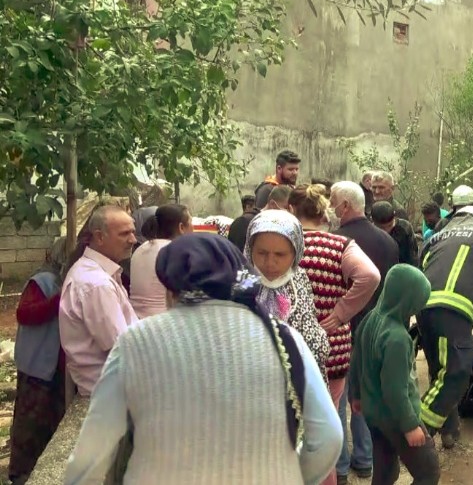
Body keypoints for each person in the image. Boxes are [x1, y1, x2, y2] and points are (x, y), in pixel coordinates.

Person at [64, 234, 341, 484]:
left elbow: (92, 454)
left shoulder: (138, 340)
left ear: (171, 289)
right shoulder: (284, 337)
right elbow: (328, 437)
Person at [290, 185, 381, 485]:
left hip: (289, 347)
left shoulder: (284, 245)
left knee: (291, 427)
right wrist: (341, 312)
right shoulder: (340, 245)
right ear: (323, 213)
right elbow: (370, 276)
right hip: (332, 349)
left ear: (292, 212)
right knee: (325, 423)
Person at [417, 198, 473, 449]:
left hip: (424, 309)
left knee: (439, 371)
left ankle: (450, 430)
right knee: (458, 372)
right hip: (453, 311)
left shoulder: (435, 236)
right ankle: (419, 432)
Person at [330, 181, 398, 480]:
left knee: (338, 400)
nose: (331, 209)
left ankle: (340, 467)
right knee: (365, 396)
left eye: (333, 203)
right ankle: (365, 459)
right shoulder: (388, 242)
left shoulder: (335, 241)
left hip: (342, 332)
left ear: (345, 206)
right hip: (375, 333)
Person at [349, 265, 439, 485]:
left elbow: (356, 361)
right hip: (395, 418)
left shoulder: (370, 319)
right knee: (428, 471)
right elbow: (395, 390)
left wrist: (356, 396)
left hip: (373, 415)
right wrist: (410, 425)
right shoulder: (397, 338)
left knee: (386, 470)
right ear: (408, 302)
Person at [59, 205, 139, 397]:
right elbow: (122, 347)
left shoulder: (98, 274)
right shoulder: (96, 284)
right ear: (100, 237)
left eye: (133, 232)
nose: (133, 240)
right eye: (124, 234)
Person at [9, 238, 68, 484]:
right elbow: (25, 313)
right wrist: (58, 300)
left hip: (56, 364)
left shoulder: (67, 280)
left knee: (53, 419)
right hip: (37, 363)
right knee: (30, 422)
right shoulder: (43, 281)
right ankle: (20, 473)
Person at [245, 210, 331, 368]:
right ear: (250, 251)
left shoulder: (298, 281)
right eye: (262, 253)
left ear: (295, 253)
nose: (270, 263)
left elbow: (315, 346)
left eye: (280, 254)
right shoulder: (241, 285)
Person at [129, 204, 192, 319]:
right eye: (191, 224)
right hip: (163, 321)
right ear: (181, 227)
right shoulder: (176, 250)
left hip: (135, 318)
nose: (193, 229)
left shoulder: (141, 248)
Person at [371, 201, 418, 267]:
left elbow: (413, 256)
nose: (387, 231)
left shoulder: (405, 228)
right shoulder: (369, 232)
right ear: (373, 221)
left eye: (390, 225)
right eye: (382, 228)